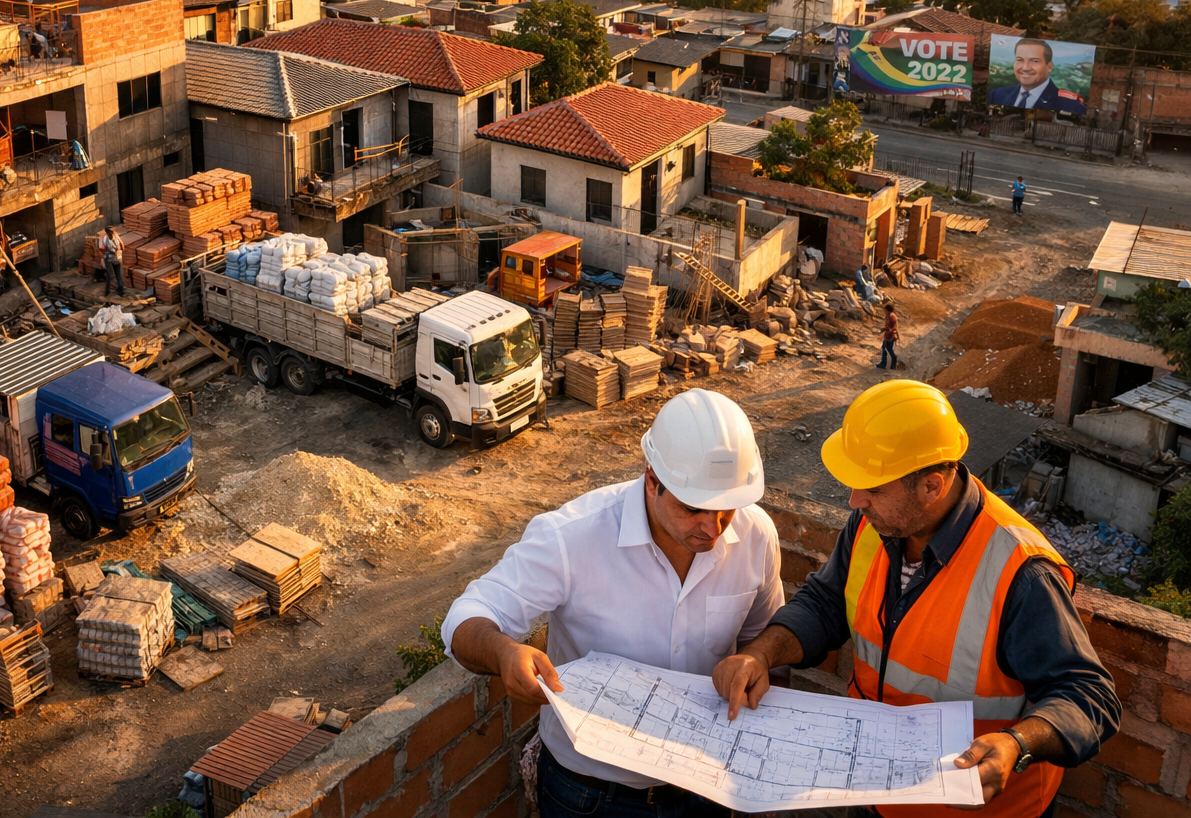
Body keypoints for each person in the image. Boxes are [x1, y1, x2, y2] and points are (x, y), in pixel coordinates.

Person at [711, 381, 1120, 818]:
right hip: (876, 794)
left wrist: (1015, 744)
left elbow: (1089, 695)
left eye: (873, 488)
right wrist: (760, 653)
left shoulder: (1020, 571)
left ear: (931, 486)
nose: (854, 501)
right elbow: (825, 604)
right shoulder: (874, 524)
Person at [443, 389, 784, 818]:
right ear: (652, 479)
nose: (712, 528)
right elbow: (466, 617)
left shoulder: (756, 537)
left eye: (726, 509)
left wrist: (756, 661)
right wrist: (503, 652)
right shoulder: (571, 538)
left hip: (704, 785)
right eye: (693, 508)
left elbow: (765, 641)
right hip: (589, 796)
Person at [988, 39, 1086, 115]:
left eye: (1035, 61)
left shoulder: (1073, 106)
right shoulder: (996, 95)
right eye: (1020, 60)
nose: (1025, 68)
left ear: (1049, 67)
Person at [99, 227, 124, 297]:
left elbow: (101, 248)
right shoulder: (117, 237)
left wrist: (105, 254)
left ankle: (107, 291)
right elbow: (123, 246)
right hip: (118, 258)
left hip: (109, 258)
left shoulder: (104, 239)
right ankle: (120, 291)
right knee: (118, 274)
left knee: (109, 275)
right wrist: (118, 252)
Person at [877, 303, 898, 370]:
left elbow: (890, 328)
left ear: (887, 310)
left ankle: (885, 363)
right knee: (887, 349)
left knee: (887, 349)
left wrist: (884, 331)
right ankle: (891, 364)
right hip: (891, 335)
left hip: (890, 336)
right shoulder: (892, 316)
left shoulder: (890, 317)